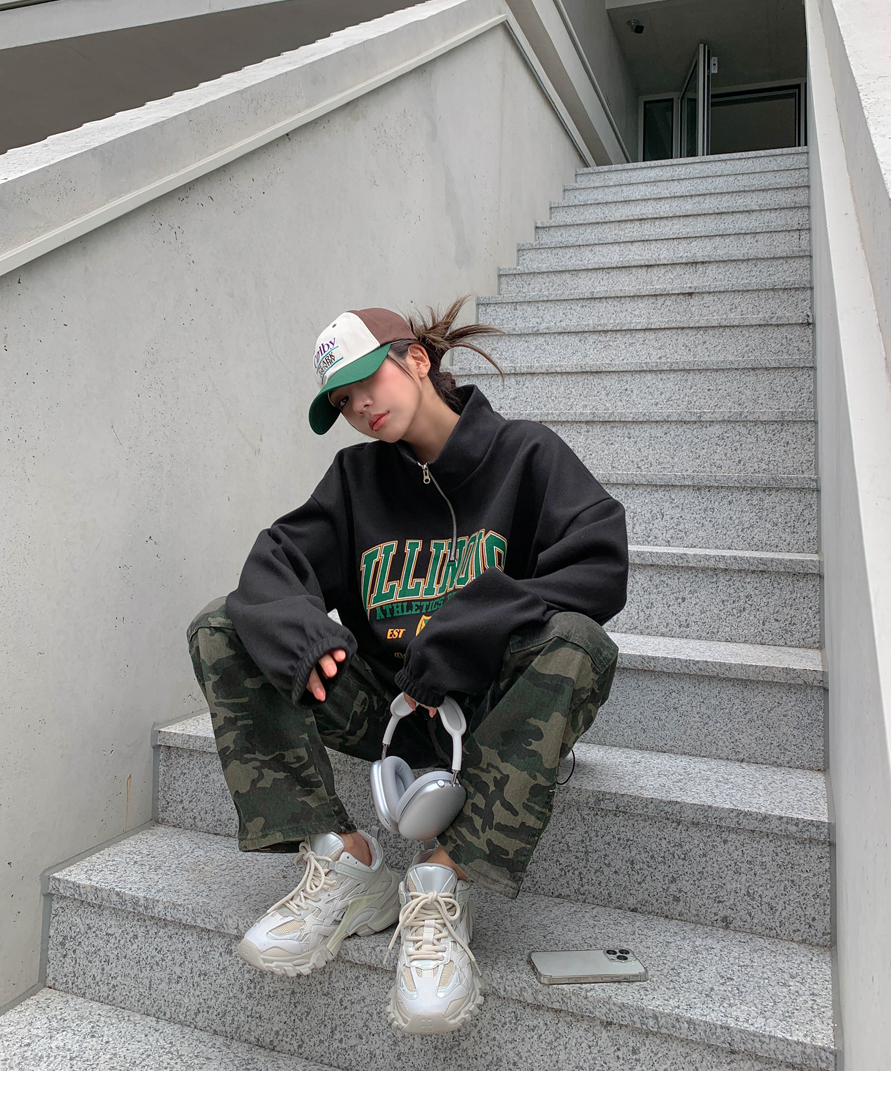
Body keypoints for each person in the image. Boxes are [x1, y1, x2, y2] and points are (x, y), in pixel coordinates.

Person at [187, 295, 628, 1036]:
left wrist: (466, 632)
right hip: (393, 713)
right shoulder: (356, 479)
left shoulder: (527, 455)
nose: (359, 407)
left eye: (367, 382)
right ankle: (345, 861)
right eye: (342, 401)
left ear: (416, 360)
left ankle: (440, 883)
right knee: (224, 626)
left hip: (493, 712)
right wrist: (305, 632)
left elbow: (599, 564)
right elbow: (274, 565)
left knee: (578, 641)